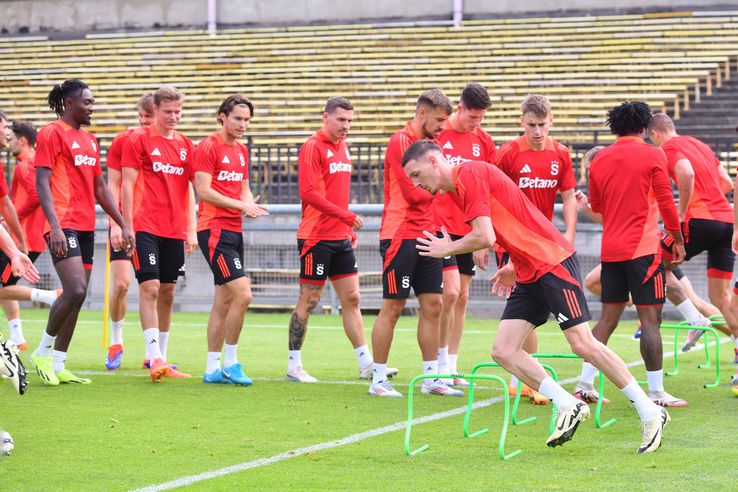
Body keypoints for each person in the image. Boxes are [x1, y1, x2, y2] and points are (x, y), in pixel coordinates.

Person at [405, 139, 670, 454]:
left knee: (582, 343)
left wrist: (446, 248)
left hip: (551, 261)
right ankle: (567, 404)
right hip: (529, 269)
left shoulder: (469, 174)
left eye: (416, 174)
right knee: (503, 349)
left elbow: (485, 236)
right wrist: (514, 265)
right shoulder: (461, 187)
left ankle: (649, 410)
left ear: (434, 162)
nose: (416, 184)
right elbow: (509, 225)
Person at [572, 102, 687, 408]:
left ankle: (584, 384)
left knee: (607, 319)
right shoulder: (653, 153)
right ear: (644, 127)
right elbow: (666, 202)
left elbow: (596, 205)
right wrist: (677, 240)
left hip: (610, 250)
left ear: (614, 127)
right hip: (643, 250)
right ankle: (657, 392)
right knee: (650, 321)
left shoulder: (600, 159)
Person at [31, 79, 135, 386]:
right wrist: (55, 226)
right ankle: (42, 352)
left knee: (80, 296)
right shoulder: (51, 133)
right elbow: (42, 183)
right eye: (87, 102)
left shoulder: (90, 140)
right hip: (63, 223)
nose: (92, 107)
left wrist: (123, 222)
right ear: (69, 104)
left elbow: (100, 187)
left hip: (86, 224)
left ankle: (59, 363)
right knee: (74, 289)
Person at [287, 97, 395, 382]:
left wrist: (346, 228)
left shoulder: (343, 148)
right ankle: (293, 365)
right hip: (316, 237)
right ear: (326, 117)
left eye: (349, 121)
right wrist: (345, 216)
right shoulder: (313, 147)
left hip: (340, 237)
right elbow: (309, 193)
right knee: (309, 300)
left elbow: (337, 191)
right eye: (340, 120)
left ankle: (365, 363)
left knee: (353, 297)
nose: (346, 126)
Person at [369, 89, 461, 398]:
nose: (442, 126)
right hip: (400, 233)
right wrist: (441, 188)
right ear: (422, 113)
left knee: (434, 305)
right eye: (438, 120)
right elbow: (412, 193)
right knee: (393, 306)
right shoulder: (400, 141)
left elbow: (433, 188)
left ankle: (431, 377)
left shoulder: (431, 147)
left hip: (429, 233)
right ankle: (378, 378)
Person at [491, 94, 577, 404]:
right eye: (531, 125)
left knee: (530, 308)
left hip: (545, 243)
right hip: (513, 242)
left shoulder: (561, 154)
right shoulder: (508, 153)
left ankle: (525, 379)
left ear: (551, 121)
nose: (537, 131)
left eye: (542, 125)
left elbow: (568, 196)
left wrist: (567, 232)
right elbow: (490, 195)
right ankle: (526, 380)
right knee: (524, 306)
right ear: (521, 122)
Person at [648, 113, 738, 363]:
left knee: (651, 263)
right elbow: (727, 183)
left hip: (699, 222)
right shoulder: (700, 145)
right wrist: (700, 199)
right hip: (727, 221)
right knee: (720, 297)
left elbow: (686, 173)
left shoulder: (668, 148)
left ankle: (693, 318)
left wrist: (682, 210)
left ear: (654, 134)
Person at [121, 85, 196, 382]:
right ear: (155, 111)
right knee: (149, 288)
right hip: (145, 225)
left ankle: (162, 358)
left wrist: (191, 227)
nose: (174, 117)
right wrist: (126, 225)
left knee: (168, 291)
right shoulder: (138, 140)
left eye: (178, 111)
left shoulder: (186, 144)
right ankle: (154, 358)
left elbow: (192, 187)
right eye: (168, 112)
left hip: (174, 228)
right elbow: (127, 184)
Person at [195, 94, 268, 385]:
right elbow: (203, 190)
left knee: (223, 301)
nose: (243, 124)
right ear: (222, 117)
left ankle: (212, 369)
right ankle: (232, 362)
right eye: (238, 118)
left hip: (233, 230)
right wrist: (241, 206)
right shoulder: (208, 146)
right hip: (213, 230)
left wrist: (248, 204)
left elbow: (244, 189)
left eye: (247, 119)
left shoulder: (241, 151)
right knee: (243, 295)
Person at [432, 83, 495, 388]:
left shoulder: (483, 141)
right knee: (449, 294)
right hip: (440, 226)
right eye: (472, 117)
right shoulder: (438, 134)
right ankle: (439, 361)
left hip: (468, 229)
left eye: (481, 118)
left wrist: (484, 237)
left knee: (463, 297)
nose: (476, 123)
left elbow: (487, 189)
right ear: (460, 109)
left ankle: (452, 365)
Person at [103, 93, 154, 370]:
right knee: (121, 284)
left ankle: (152, 351)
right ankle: (116, 340)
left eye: (149, 117)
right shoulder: (123, 140)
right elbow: (112, 184)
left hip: (156, 226)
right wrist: (115, 223)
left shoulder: (168, 141)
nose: (144, 122)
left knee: (154, 289)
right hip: (126, 223)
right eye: (141, 116)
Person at [0, 118, 60, 350]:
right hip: (27, 236)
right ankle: (17, 336)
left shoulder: (25, 166)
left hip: (21, 238)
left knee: (3, 287)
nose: (9, 139)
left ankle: (50, 297)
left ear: (23, 140)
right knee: (6, 284)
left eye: (12, 136)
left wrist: (11, 220)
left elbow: (36, 197)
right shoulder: (38, 164)